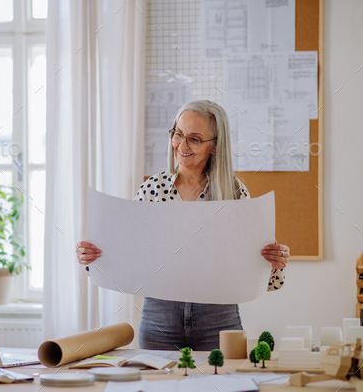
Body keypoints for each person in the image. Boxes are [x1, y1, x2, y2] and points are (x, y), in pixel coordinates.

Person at [76, 100, 289, 351]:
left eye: (195, 139)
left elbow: (259, 275)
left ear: (215, 146)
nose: (182, 145)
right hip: (159, 318)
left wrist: (274, 264)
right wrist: (93, 258)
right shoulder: (152, 190)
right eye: (178, 134)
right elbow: (127, 252)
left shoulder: (234, 192)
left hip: (218, 317)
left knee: (221, 385)